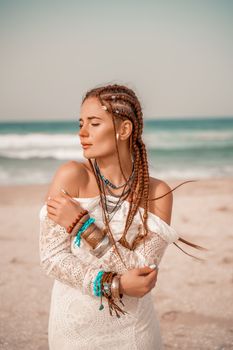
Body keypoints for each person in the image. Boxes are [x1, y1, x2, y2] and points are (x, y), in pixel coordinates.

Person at [39, 84, 185, 349]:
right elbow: (51, 259)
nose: (82, 132)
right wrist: (113, 285)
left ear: (124, 129)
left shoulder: (157, 193)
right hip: (74, 330)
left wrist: (83, 225)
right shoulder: (72, 177)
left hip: (135, 334)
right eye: (81, 123)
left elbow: (139, 275)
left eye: (94, 123)